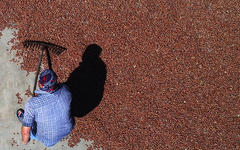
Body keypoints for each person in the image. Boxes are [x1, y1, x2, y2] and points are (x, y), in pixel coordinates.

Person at [16, 69, 74, 147]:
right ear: (56, 80)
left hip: (48, 141)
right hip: (68, 129)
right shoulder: (65, 90)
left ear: (39, 84)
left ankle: (27, 124)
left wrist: (24, 142)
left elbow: (25, 132)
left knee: (25, 120)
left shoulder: (32, 104)